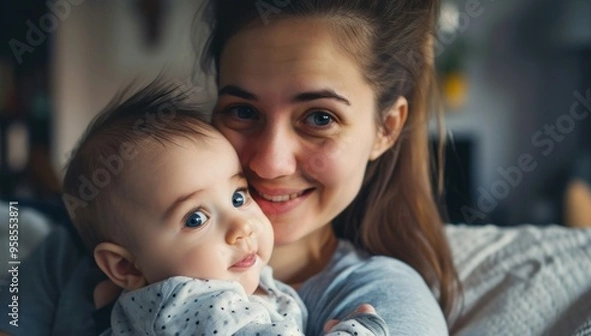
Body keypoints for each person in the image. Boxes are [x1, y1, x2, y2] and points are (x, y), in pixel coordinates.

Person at [0, 1, 455, 335]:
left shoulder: (382, 299)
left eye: (320, 118)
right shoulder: (71, 248)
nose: (268, 163)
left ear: (386, 128)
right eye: (243, 111)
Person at [61, 81, 390, 336]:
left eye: (238, 196)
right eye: (196, 219)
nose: (241, 228)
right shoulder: (194, 304)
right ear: (125, 268)